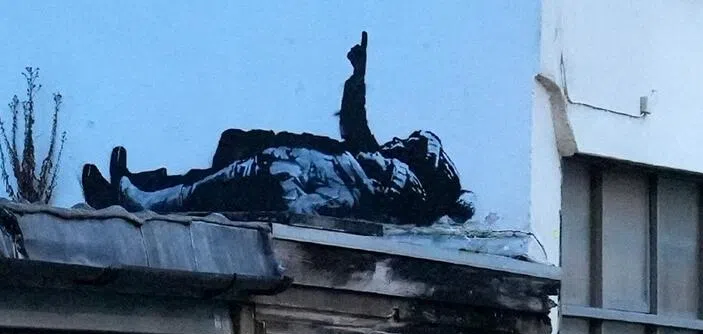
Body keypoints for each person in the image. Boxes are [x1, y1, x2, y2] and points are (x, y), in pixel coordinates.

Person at [80, 32, 474, 226]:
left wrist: (295, 195)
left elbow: (354, 149)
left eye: (411, 144)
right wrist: (357, 78)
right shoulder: (390, 171)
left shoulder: (399, 181)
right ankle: (131, 189)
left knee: (212, 181)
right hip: (291, 164)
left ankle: (126, 195)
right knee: (226, 154)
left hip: (291, 174)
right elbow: (359, 139)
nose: (401, 141)